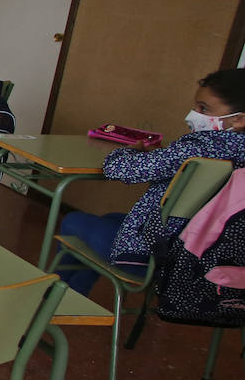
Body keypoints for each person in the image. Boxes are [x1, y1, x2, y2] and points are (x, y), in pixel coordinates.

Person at [55, 69, 245, 296]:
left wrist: (128, 152)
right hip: (209, 257)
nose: (193, 114)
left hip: (157, 256)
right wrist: (164, 158)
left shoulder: (197, 147)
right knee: (110, 219)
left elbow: (118, 170)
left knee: (73, 222)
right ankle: (69, 297)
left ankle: (54, 301)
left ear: (240, 118)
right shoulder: (230, 151)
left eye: (203, 109)